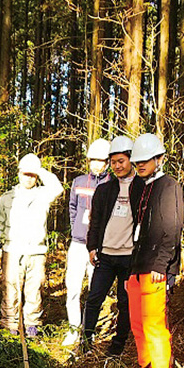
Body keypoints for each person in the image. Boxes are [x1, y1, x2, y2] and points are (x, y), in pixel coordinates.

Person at [126, 133, 183, 368]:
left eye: (145, 161)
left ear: (159, 159)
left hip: (155, 267)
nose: (140, 165)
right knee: (137, 323)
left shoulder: (169, 186)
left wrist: (163, 263)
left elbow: (172, 227)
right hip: (136, 263)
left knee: (154, 325)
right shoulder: (138, 186)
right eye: (137, 161)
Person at [0, 153, 65, 337]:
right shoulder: (7, 198)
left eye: (32, 175)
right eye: (26, 173)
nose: (29, 178)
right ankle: (10, 326)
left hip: (36, 252)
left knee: (34, 290)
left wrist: (38, 169)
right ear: (19, 173)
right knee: (10, 289)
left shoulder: (43, 194)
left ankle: (32, 325)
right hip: (13, 250)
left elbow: (58, 187)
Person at [83, 135, 143, 355]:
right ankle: (86, 340)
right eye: (114, 162)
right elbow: (95, 221)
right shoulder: (104, 189)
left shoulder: (142, 188)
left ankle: (118, 345)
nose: (117, 166)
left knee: (125, 302)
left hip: (129, 257)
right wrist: (92, 247)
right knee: (94, 297)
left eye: (122, 161)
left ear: (131, 160)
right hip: (105, 256)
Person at [63, 138, 111, 346]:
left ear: (107, 162)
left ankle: (88, 331)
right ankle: (74, 329)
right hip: (77, 243)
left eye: (101, 161)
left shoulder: (111, 184)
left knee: (94, 290)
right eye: (93, 160)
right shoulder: (79, 182)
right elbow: (73, 208)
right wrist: (76, 230)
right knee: (72, 287)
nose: (97, 165)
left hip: (99, 247)